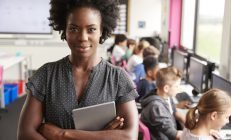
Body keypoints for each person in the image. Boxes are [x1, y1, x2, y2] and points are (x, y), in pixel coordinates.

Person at [17, 0, 139, 140]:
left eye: (91, 29)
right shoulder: (46, 75)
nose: (82, 37)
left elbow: (129, 137)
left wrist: (61, 135)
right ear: (64, 30)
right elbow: (25, 134)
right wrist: (103, 136)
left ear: (102, 30)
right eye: (74, 29)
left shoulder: (118, 78)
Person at [140, 67, 186, 140]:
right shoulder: (156, 107)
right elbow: (174, 135)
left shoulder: (166, 96)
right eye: (177, 86)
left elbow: (175, 112)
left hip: (169, 133)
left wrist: (187, 121)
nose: (179, 89)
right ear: (166, 88)